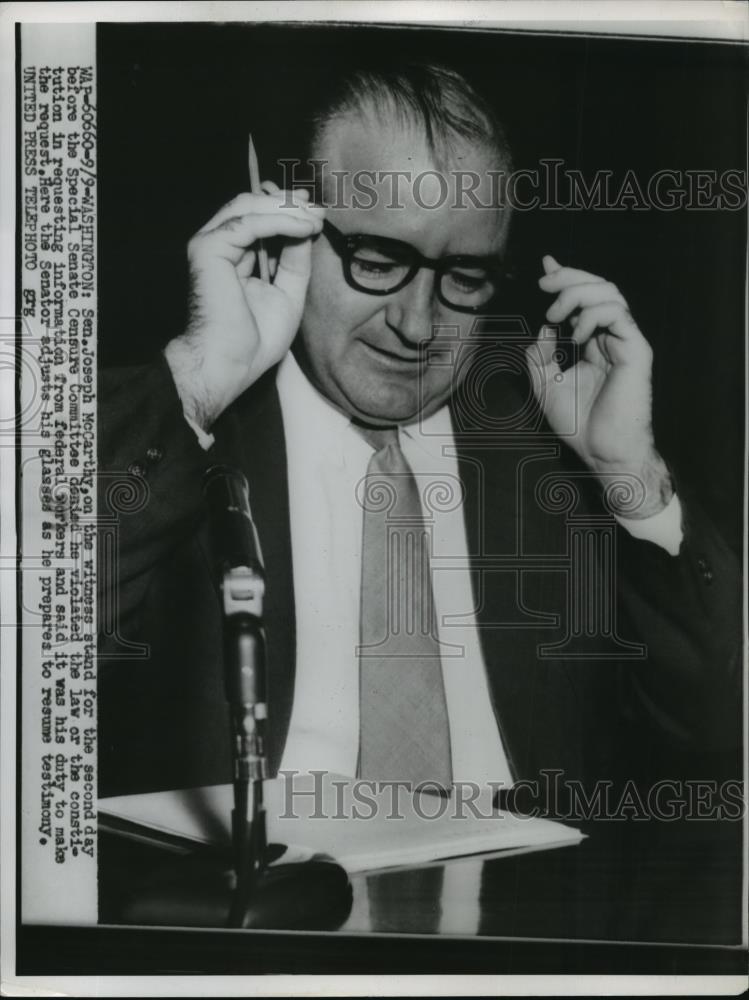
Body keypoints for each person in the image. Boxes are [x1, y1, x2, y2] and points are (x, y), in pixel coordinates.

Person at [98, 64, 740, 809]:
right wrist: (197, 383)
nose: (415, 324)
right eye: (377, 261)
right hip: (253, 907)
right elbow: (32, 651)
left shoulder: (551, 457)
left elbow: (714, 721)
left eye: (463, 277)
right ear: (283, 234)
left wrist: (629, 474)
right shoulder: (175, 440)